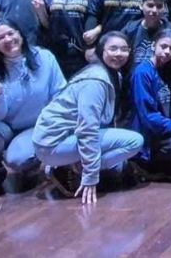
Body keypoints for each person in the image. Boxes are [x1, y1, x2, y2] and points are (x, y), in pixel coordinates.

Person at [33, 31, 144, 204]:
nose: (119, 54)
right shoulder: (96, 80)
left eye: (124, 49)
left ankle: (69, 165)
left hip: (66, 138)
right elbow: (87, 129)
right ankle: (72, 167)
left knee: (119, 163)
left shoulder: (113, 74)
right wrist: (90, 176)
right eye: (113, 49)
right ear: (102, 51)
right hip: (53, 144)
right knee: (134, 142)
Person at [0, 19, 66, 196]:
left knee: (17, 160)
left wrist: (52, 131)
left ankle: (35, 161)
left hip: (38, 126)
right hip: (5, 127)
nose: (7, 39)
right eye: (0, 38)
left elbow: (60, 95)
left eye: (11, 33)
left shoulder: (44, 57)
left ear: (20, 34)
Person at [130, 28, 171, 177]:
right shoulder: (143, 72)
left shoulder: (169, 71)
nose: (167, 52)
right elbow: (147, 116)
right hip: (149, 136)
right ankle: (144, 165)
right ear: (154, 45)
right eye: (163, 46)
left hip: (165, 131)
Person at [37, 0, 94, 77]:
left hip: (81, 53)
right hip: (55, 51)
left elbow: (100, 21)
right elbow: (47, 26)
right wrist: (41, 10)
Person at [123, 0, 171, 65]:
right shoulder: (130, 29)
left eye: (159, 6)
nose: (155, 10)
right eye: (150, 5)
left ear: (165, 8)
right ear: (141, 5)